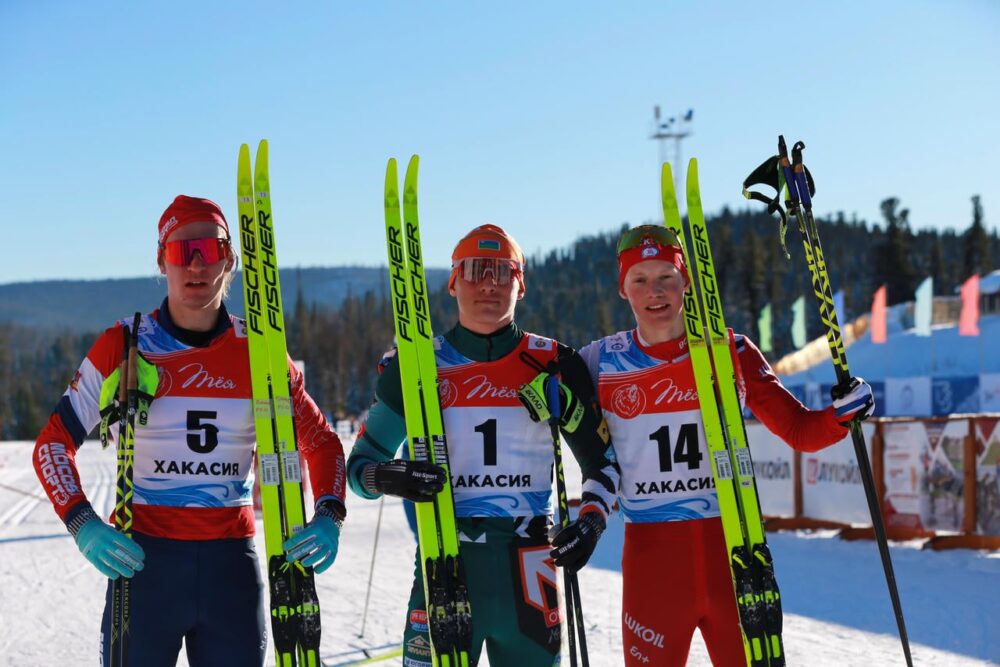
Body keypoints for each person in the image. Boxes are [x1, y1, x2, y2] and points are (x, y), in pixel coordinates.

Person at [32, 195, 348, 667]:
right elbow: (52, 444)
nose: (197, 264)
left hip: (230, 571)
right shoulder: (124, 344)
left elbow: (321, 442)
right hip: (145, 566)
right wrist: (83, 523)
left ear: (230, 259)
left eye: (210, 249)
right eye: (182, 251)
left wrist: (330, 514)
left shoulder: (260, 352)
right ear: (162, 261)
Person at [578, 224, 876, 667]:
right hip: (654, 567)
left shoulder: (731, 350)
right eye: (639, 279)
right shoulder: (599, 362)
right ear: (623, 289)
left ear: (686, 281)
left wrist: (842, 415)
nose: (654, 292)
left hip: (735, 556)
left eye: (666, 278)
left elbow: (799, 429)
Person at [347, 224, 619, 667]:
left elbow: (602, 462)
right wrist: (387, 475)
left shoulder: (555, 363)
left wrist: (591, 522)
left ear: (521, 284)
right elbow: (360, 467)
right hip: (445, 567)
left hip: (530, 576)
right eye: (475, 270)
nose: (489, 283)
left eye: (502, 271)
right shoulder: (417, 365)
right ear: (453, 281)